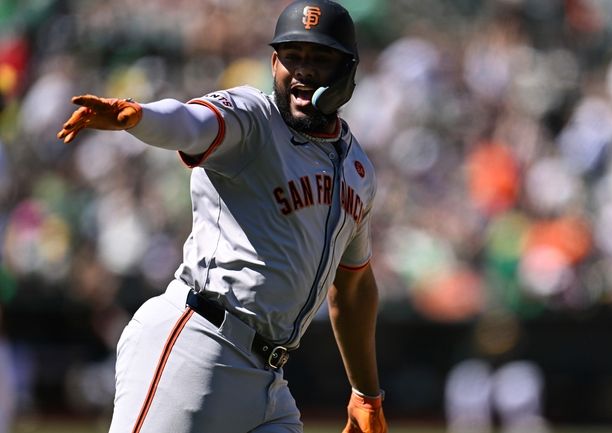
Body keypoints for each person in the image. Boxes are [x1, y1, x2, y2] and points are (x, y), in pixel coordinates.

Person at [56, 1, 387, 432]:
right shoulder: (254, 118)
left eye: (320, 59)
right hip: (197, 346)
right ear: (273, 62)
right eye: (292, 57)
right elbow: (192, 122)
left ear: (347, 71)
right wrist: (140, 117)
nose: (303, 70)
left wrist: (366, 393)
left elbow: (354, 284)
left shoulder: (358, 168)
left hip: (270, 379)